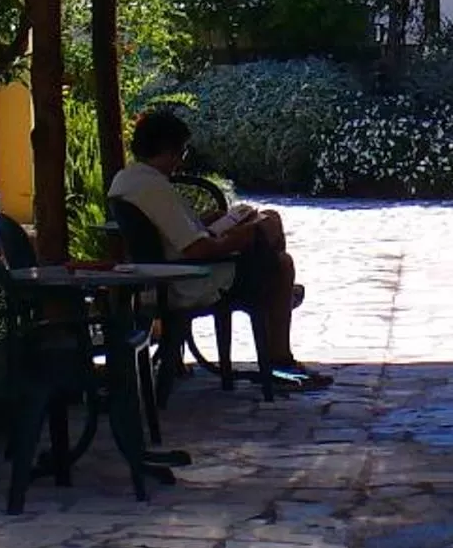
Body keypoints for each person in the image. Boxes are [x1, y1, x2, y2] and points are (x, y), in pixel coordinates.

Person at [107, 108, 329, 388]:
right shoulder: (153, 187)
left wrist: (209, 223)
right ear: (168, 150)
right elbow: (197, 249)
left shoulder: (128, 180)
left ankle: (277, 294)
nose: (180, 161)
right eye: (181, 152)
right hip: (187, 279)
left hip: (169, 271)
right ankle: (278, 320)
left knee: (271, 240)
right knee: (276, 246)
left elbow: (170, 233)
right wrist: (241, 236)